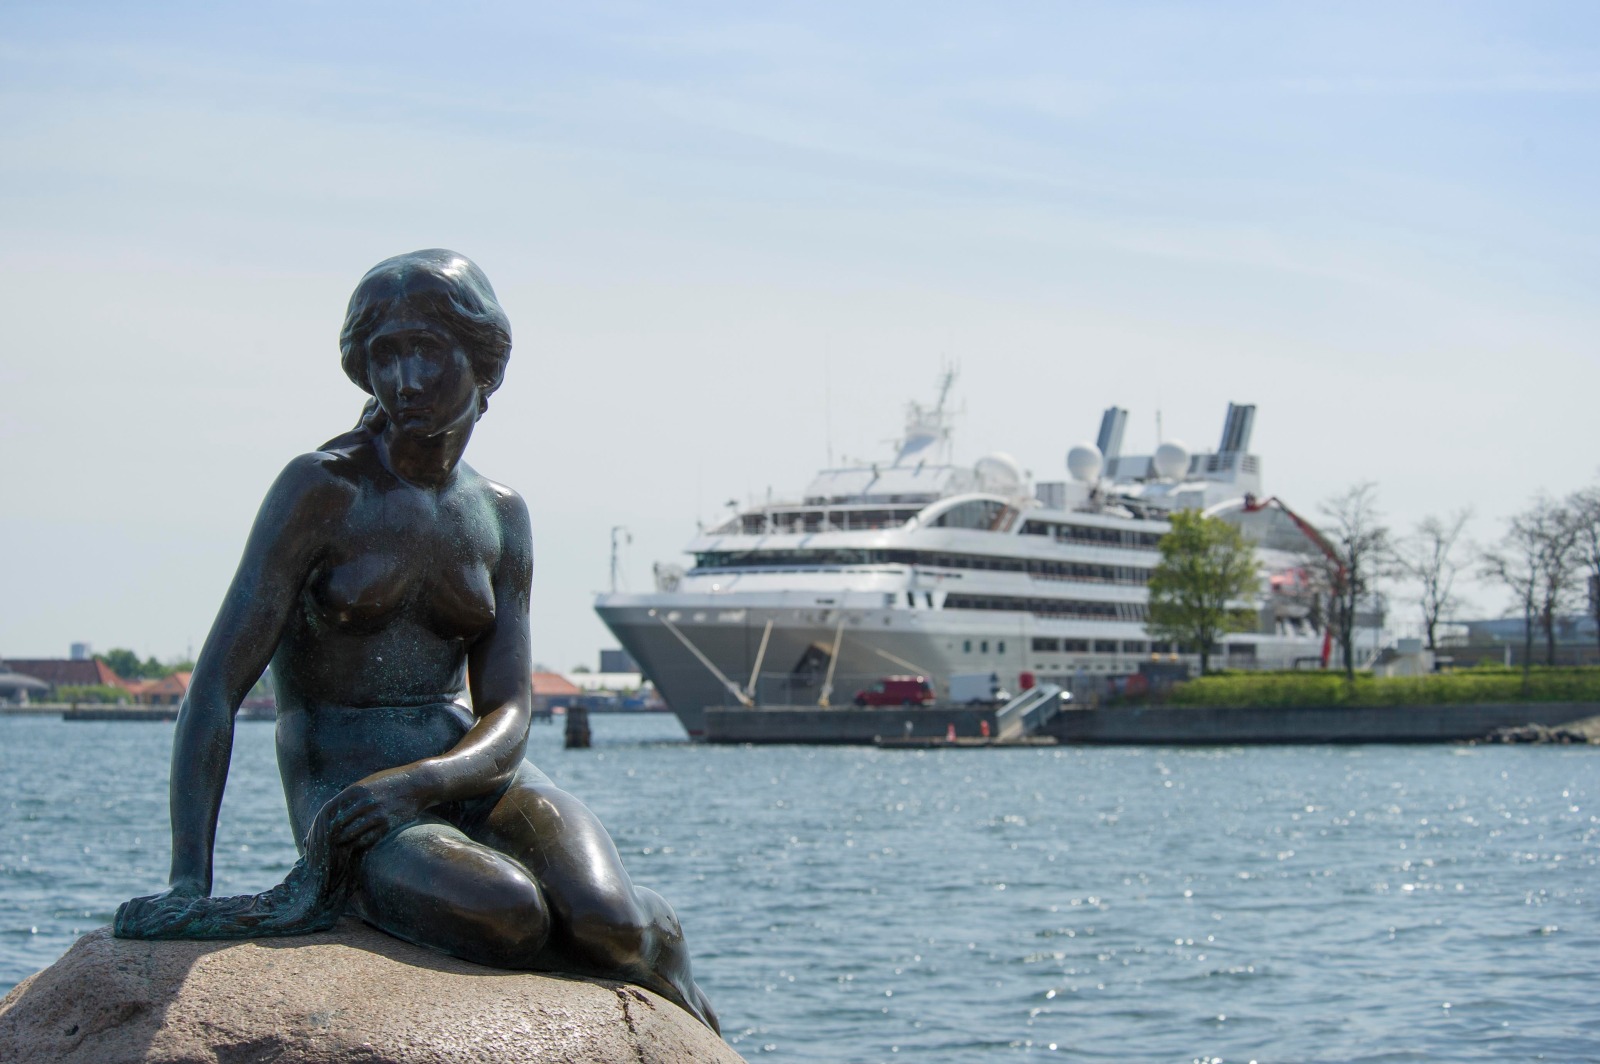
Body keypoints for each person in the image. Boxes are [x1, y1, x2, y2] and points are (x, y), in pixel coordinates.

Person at [115, 249, 716, 1031]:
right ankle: (368, 890)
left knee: (617, 925)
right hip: (351, 794)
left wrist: (424, 781)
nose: (403, 380)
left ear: (482, 361)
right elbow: (214, 693)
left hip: (466, 771)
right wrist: (186, 883)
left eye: (426, 351)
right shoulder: (321, 489)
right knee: (510, 916)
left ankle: (666, 970)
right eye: (385, 355)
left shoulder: (500, 513)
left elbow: (507, 711)